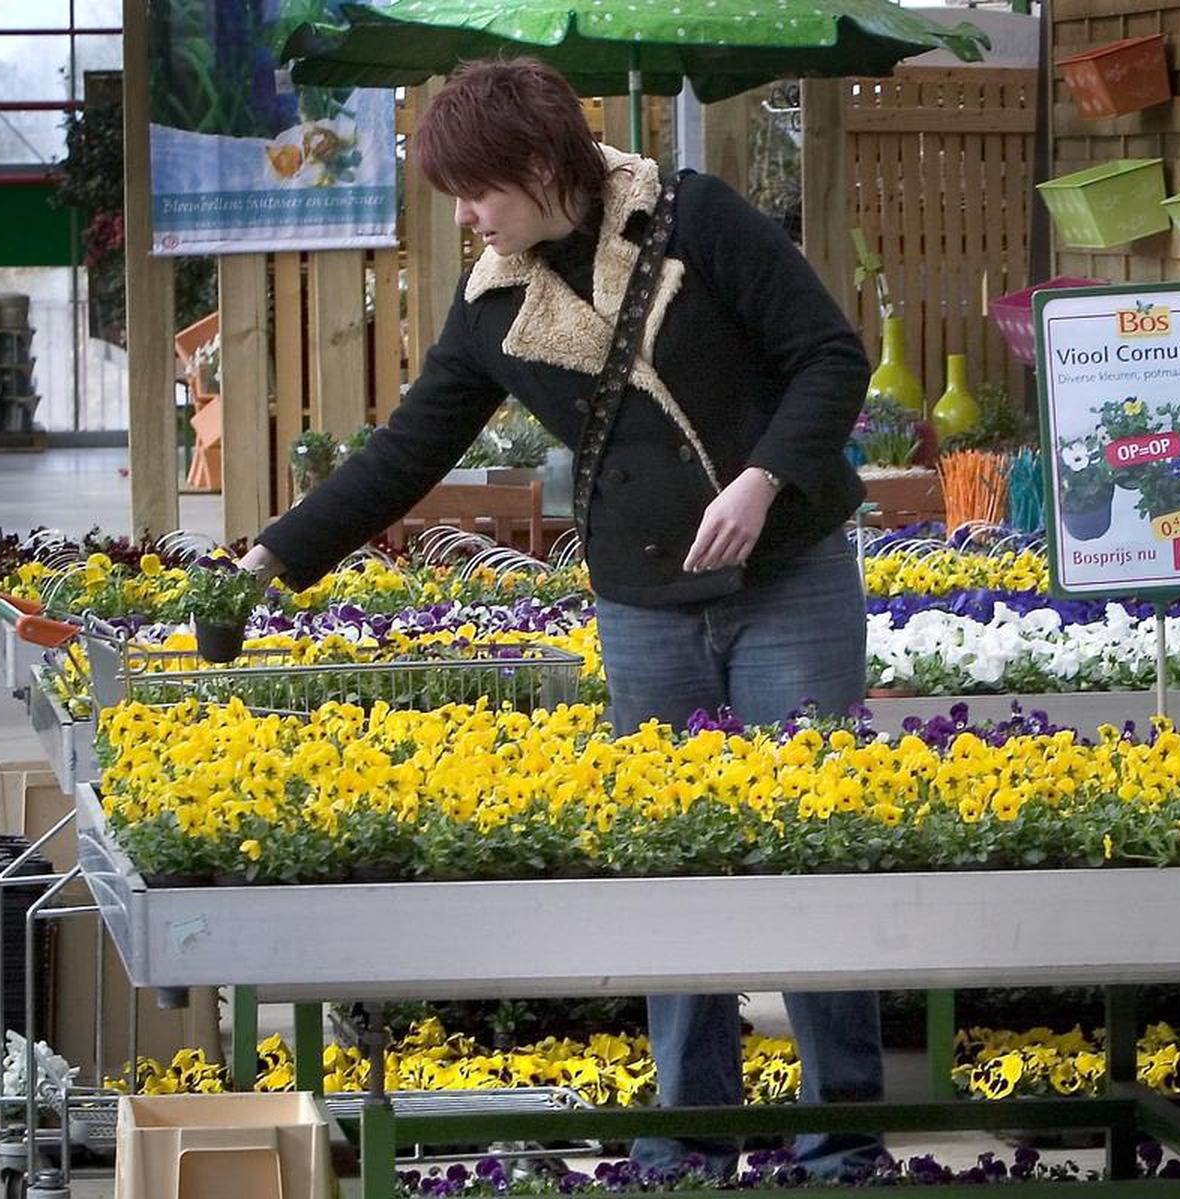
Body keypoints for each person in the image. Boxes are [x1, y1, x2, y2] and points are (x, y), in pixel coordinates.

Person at [238, 58, 881, 1178]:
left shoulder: (696, 218)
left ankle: (847, 1139)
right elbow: (407, 450)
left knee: (816, 856)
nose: (464, 217)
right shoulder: (495, 299)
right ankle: (689, 1135)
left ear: (540, 166)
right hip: (645, 602)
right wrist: (273, 555)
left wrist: (766, 475)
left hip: (787, 574)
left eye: (476, 190)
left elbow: (830, 354)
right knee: (668, 864)